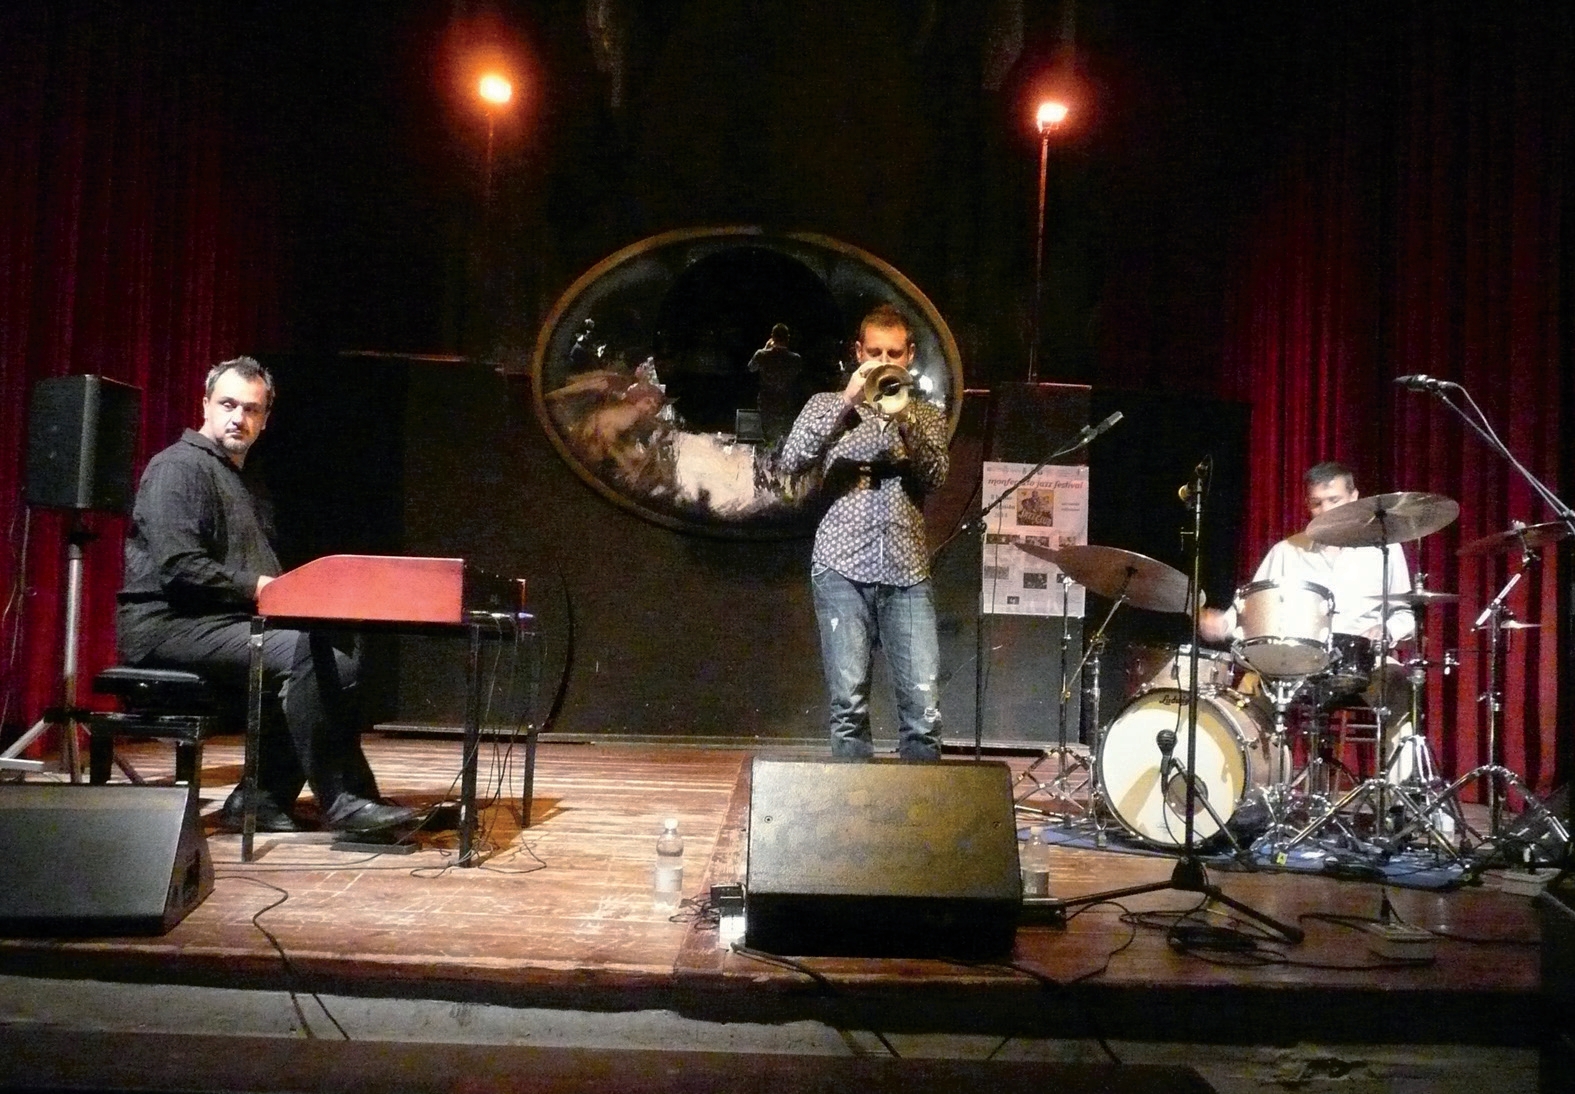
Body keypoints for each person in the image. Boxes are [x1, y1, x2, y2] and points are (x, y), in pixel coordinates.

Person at [117, 356, 417, 834]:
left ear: (265, 419)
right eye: (228, 404)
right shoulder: (177, 467)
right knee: (311, 656)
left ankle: (260, 800)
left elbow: (259, 568)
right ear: (205, 405)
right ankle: (345, 800)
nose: (238, 417)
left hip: (220, 622)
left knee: (331, 650)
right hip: (168, 626)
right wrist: (260, 588)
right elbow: (179, 567)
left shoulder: (243, 478)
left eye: (251, 409)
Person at [778, 304, 950, 760]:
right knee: (848, 706)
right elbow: (791, 461)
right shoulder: (825, 406)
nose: (883, 362)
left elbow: (935, 477)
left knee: (923, 712)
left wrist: (906, 420)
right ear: (858, 353)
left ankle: (922, 806)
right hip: (841, 567)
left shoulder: (926, 414)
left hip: (907, 571)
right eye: (874, 353)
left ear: (909, 355)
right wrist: (847, 402)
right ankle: (855, 804)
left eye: (893, 353)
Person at [1198, 461, 1416, 763]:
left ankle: (1397, 790)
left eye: (1334, 500)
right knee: (1250, 688)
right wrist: (1222, 623)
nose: (1325, 510)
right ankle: (1261, 782)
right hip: (1298, 663)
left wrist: (1386, 631)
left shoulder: (1384, 550)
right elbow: (1250, 607)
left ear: (1354, 497)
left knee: (1400, 685)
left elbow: (1405, 615)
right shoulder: (1287, 551)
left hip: (1362, 660)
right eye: (1317, 503)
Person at [746, 323, 806, 443]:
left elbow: (751, 368)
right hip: (786, 402)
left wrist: (765, 349)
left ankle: (768, 450)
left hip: (766, 402)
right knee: (785, 436)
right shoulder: (795, 358)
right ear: (787, 338)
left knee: (768, 437)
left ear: (772, 337)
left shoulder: (762, 355)